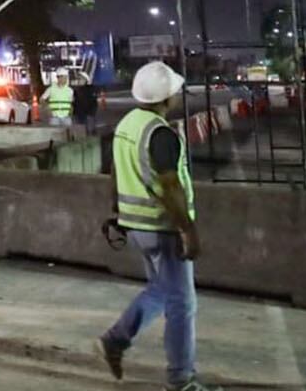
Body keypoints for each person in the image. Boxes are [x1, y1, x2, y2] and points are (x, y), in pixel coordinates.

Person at [95, 61, 218, 391]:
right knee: (183, 304)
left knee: (162, 292)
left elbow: (115, 173)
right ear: (167, 97)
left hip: (135, 226)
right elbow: (170, 186)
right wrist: (188, 230)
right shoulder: (160, 132)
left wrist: (117, 212)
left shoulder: (127, 124)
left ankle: (116, 340)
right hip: (161, 228)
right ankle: (181, 380)